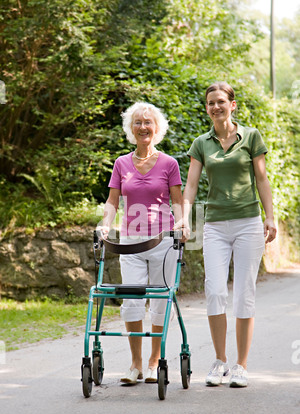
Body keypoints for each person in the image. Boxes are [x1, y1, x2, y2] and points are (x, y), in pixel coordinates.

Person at [175, 82, 277, 387]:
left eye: (221, 101)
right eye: (210, 103)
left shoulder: (251, 136)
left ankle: (241, 366)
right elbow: (191, 185)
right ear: (207, 108)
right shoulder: (201, 143)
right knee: (215, 291)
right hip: (216, 225)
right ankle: (220, 362)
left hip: (248, 222)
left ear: (232, 105)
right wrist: (185, 218)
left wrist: (270, 217)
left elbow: (262, 179)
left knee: (244, 292)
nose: (216, 107)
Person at [100, 102, 183, 385]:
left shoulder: (169, 163)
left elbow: (179, 202)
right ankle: (135, 363)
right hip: (131, 244)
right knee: (132, 302)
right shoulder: (121, 163)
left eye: (148, 122)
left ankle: (154, 361)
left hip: (163, 243)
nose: (143, 127)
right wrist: (104, 225)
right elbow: (112, 202)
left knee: (160, 303)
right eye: (138, 122)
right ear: (130, 128)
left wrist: (182, 224)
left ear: (156, 128)